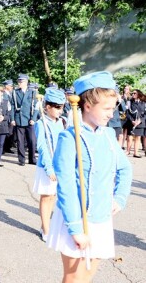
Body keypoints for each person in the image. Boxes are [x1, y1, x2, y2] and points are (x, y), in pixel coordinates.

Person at [48, 71, 132, 283]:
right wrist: (75, 229)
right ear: (87, 106)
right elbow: (65, 186)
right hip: (76, 217)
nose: (111, 114)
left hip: (101, 216)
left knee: (88, 276)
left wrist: (119, 197)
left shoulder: (108, 135)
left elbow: (125, 168)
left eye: (112, 108)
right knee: (74, 278)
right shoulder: (70, 138)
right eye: (106, 108)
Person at [32, 88, 66, 241]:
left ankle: (46, 225)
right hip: (48, 166)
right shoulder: (41, 124)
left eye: (62, 107)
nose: (60, 110)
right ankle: (46, 230)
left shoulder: (62, 122)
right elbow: (42, 148)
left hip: (60, 165)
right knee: (46, 197)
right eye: (57, 107)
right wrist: (49, 168)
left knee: (53, 197)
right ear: (47, 107)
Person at [9, 74, 38, 166]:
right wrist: (12, 119)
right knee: (20, 141)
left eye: (21, 81)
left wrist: (33, 119)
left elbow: (36, 107)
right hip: (19, 119)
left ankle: (32, 159)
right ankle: (21, 159)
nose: (19, 83)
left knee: (32, 140)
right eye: (19, 81)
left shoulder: (32, 92)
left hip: (29, 119)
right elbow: (13, 106)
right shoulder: (15, 92)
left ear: (26, 82)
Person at [124, 89, 145, 157]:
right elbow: (127, 113)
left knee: (138, 138)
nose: (133, 94)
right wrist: (132, 121)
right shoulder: (129, 102)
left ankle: (136, 153)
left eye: (134, 93)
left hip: (140, 123)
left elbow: (145, 114)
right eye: (132, 93)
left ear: (138, 94)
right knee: (129, 137)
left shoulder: (144, 103)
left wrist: (140, 120)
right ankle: (128, 151)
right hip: (131, 122)